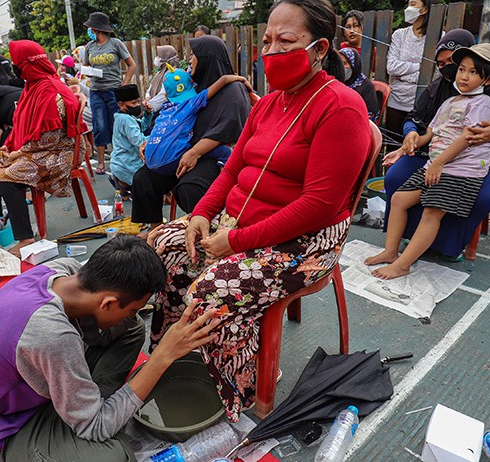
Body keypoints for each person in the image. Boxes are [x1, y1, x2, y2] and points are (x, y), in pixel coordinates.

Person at [146, 0, 370, 421]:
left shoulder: (340, 107)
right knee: (164, 247)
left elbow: (318, 206)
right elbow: (231, 170)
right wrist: (202, 214)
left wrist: (235, 240)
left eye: (285, 41)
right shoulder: (267, 103)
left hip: (303, 242)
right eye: (267, 40)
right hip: (238, 222)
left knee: (216, 290)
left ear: (319, 48)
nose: (270, 52)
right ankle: (179, 360)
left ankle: (239, 388)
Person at [0, 235, 218, 462]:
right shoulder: (52, 335)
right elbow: (94, 430)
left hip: (32, 386)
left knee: (130, 329)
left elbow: (110, 320)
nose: (133, 313)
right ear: (108, 303)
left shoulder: (61, 270)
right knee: (114, 456)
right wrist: (162, 356)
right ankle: (83, 416)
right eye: (132, 308)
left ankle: (91, 407)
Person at [382, 29, 490, 258]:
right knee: (394, 179)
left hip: (485, 151)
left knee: (483, 197)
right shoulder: (444, 88)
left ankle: (448, 247)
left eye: (454, 61)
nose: (454, 71)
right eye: (443, 64)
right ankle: (405, 241)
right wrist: (409, 136)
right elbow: (419, 119)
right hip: (437, 149)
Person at [366, 44, 490, 279]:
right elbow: (429, 135)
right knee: (398, 198)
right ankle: (391, 252)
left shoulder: (482, 104)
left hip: (461, 171)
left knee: (432, 213)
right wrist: (404, 147)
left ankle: (403, 265)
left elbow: (467, 137)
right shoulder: (449, 102)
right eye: (461, 69)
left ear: (487, 79)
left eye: (473, 72)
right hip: (436, 165)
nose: (464, 76)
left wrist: (439, 163)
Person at [131, 35, 251, 232]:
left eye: (194, 55)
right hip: (182, 151)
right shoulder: (193, 86)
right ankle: (156, 231)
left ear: (207, 58)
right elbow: (170, 119)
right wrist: (152, 141)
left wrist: (195, 152)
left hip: (212, 156)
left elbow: (229, 130)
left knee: (190, 188)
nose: (190, 60)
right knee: (143, 178)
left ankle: (211, 233)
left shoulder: (233, 90)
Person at [0, 40, 83, 253]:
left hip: (59, 153)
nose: (15, 70)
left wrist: (18, 153)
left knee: (7, 179)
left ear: (27, 65)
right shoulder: (32, 86)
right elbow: (21, 125)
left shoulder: (52, 93)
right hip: (36, 150)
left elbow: (50, 139)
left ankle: (25, 238)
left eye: (18, 65)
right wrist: (9, 147)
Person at [144, 66, 254, 177]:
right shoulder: (191, 103)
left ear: (166, 95)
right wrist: (242, 79)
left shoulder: (165, 110)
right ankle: (225, 183)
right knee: (224, 152)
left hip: (149, 162)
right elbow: (224, 80)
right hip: (170, 162)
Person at [83, 12, 137, 174]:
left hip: (113, 90)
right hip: (96, 91)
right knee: (99, 126)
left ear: (97, 29)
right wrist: (89, 72)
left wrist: (124, 84)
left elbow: (131, 65)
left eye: (92, 28)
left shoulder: (115, 44)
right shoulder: (90, 46)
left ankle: (119, 159)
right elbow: (86, 66)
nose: (90, 31)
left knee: (116, 125)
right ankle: (101, 162)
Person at [386, 0, 430, 141]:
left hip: (422, 102)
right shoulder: (400, 35)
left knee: (415, 146)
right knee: (393, 143)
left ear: (424, 10)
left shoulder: (437, 37)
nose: (408, 8)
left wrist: (404, 74)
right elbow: (391, 66)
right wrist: (419, 67)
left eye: (413, 4)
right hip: (396, 99)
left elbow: (434, 74)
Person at [108, 84, 153, 199]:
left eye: (138, 102)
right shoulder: (126, 120)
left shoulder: (123, 117)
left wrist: (147, 114)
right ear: (122, 104)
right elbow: (139, 141)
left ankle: (122, 184)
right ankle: (123, 183)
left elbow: (141, 127)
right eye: (133, 103)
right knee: (145, 189)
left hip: (120, 161)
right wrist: (157, 137)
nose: (137, 105)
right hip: (127, 163)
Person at [338, 47, 380, 123]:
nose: (341, 67)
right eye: (339, 63)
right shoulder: (334, 82)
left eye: (344, 63)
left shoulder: (366, 86)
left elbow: (371, 115)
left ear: (354, 65)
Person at [144, 45, 180, 112]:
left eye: (159, 56)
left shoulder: (173, 74)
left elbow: (163, 96)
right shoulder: (158, 73)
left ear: (166, 58)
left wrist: (150, 105)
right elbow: (150, 89)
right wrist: (147, 97)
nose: (157, 58)